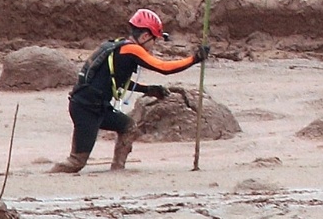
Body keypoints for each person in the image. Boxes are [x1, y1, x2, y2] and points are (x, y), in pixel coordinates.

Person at [52, 9, 208, 173]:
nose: (153, 45)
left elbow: (118, 81)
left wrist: (148, 89)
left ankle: (118, 169)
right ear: (145, 36)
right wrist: (195, 59)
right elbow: (163, 67)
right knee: (76, 163)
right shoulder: (132, 49)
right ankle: (45, 177)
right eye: (154, 40)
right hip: (87, 109)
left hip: (96, 107)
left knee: (128, 127)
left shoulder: (120, 47)